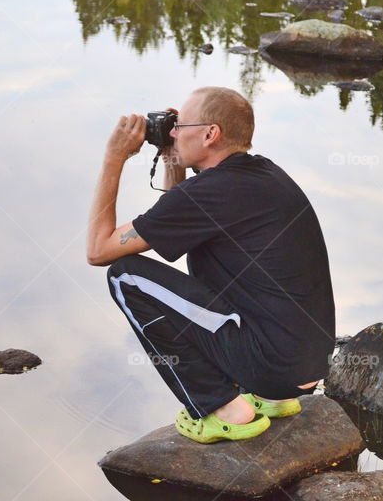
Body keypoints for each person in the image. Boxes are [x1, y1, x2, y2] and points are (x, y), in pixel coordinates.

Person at [86, 86, 335, 444]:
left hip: (271, 363)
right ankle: (272, 399)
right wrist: (173, 156)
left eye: (180, 125)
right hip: (302, 366)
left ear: (209, 134)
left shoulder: (211, 193)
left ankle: (222, 408)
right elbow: (183, 211)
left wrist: (114, 158)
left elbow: (98, 250)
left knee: (126, 277)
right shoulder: (262, 174)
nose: (172, 131)